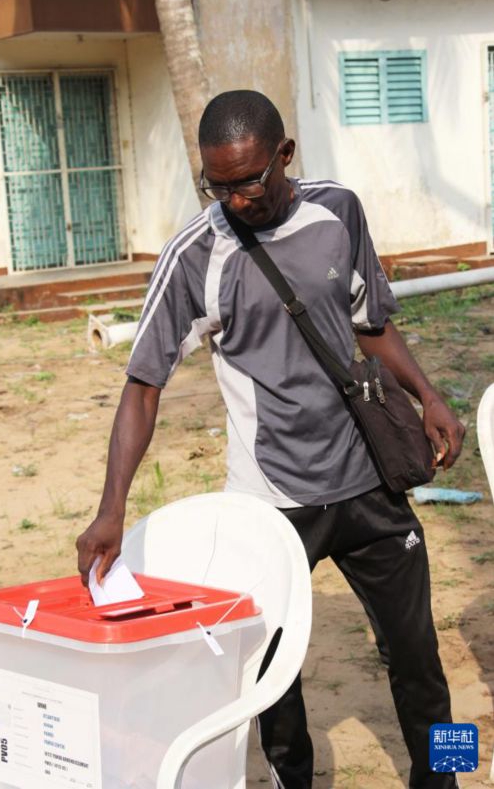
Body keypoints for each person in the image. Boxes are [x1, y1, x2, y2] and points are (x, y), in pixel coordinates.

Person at [76, 90, 465, 788]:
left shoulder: (337, 210)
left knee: (420, 659)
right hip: (270, 502)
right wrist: (110, 508)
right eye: (216, 185)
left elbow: (368, 321)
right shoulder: (195, 256)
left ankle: (446, 777)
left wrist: (428, 393)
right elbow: (143, 385)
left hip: (367, 482)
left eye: (248, 181)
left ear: (284, 156)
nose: (232, 200)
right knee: (269, 673)